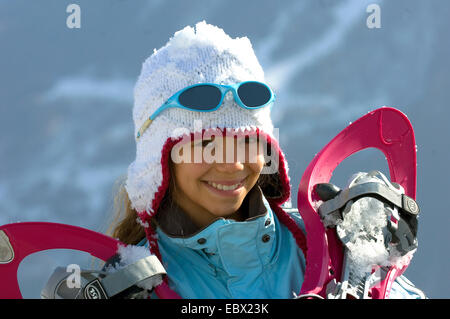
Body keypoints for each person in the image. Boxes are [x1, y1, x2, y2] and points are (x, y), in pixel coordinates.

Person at [104, 21, 425, 299]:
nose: (231, 164)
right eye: (205, 143)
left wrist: (379, 266)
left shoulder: (330, 250)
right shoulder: (130, 285)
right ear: (159, 158)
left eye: (247, 141)